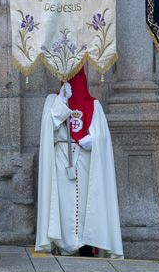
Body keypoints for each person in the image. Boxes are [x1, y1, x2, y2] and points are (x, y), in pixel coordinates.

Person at [35, 67, 123, 258]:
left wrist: (94, 141)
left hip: (84, 159)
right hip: (61, 159)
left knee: (85, 202)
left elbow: (103, 136)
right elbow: (49, 127)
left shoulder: (94, 105)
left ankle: (86, 244)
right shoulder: (53, 101)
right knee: (63, 202)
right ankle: (63, 243)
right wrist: (62, 101)